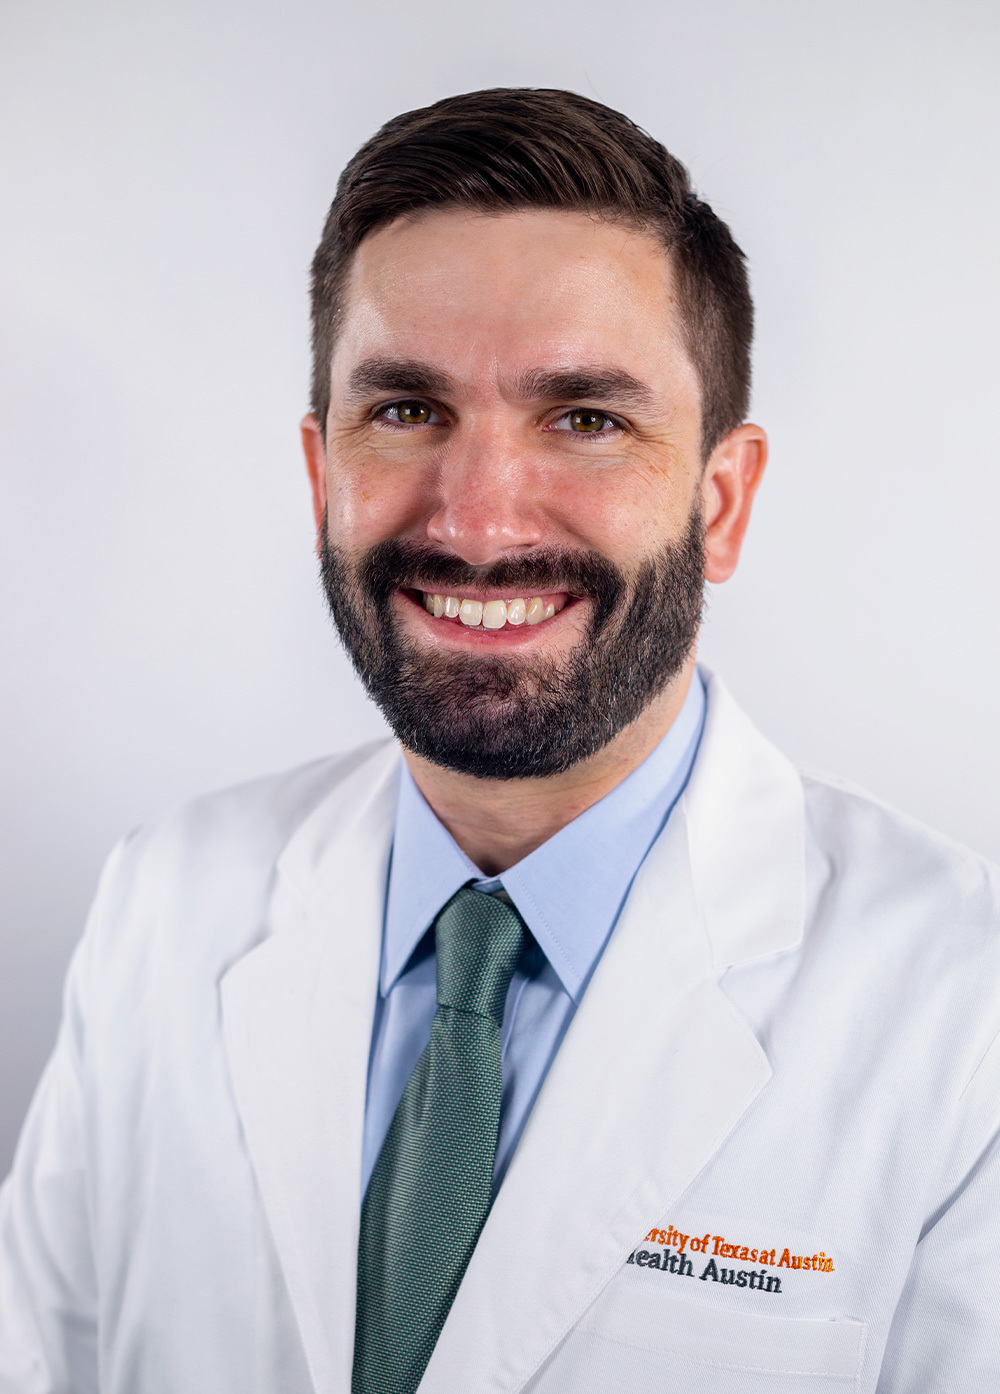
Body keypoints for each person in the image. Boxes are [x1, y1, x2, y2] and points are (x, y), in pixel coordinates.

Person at [1, 86, 998, 1394]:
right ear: (322, 476)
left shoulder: (961, 1009)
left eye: (584, 418)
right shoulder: (166, 901)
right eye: (406, 410)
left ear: (722, 499)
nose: (475, 521)